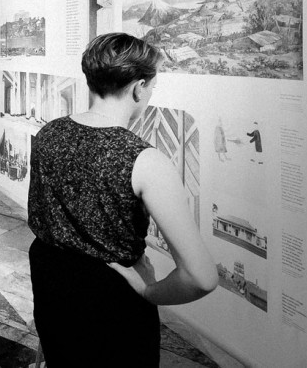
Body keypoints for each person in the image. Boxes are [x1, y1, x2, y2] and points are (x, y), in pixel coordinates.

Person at [28, 33, 217, 366]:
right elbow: (201, 277)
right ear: (138, 88)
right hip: (111, 306)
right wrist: (148, 292)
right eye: (152, 88)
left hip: (51, 289)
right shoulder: (143, 160)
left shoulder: (49, 133)